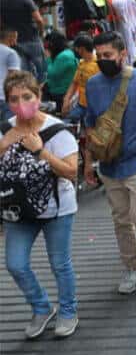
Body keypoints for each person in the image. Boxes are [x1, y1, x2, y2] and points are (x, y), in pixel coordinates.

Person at [84, 31, 136, 295]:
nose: (103, 60)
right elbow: (90, 125)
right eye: (99, 56)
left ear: (123, 54)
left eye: (108, 55)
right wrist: (88, 162)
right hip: (109, 166)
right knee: (121, 219)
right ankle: (132, 267)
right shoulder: (93, 84)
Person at [1, 70, 79, 338]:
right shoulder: (5, 129)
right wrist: (3, 146)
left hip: (57, 207)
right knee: (15, 263)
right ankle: (41, 307)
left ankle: (68, 310)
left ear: (38, 95)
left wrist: (40, 151)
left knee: (60, 263)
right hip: (18, 209)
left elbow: (71, 172)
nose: (20, 104)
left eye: (26, 96)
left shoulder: (56, 130)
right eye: (13, 99)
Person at [0, 0, 45, 81]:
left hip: (15, 42)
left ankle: (28, 91)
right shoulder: (26, 0)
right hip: (32, 40)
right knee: (40, 71)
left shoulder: (1, 2)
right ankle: (39, 92)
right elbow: (39, 20)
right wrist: (41, 33)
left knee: (24, 73)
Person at [61, 33, 99, 120]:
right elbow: (74, 83)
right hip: (81, 105)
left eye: (76, 48)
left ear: (81, 49)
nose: (75, 51)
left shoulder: (98, 65)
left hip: (93, 108)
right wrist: (66, 100)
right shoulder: (81, 63)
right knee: (66, 123)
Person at [43, 32, 78, 116]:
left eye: (47, 45)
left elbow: (51, 73)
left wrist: (48, 57)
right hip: (58, 90)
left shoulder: (64, 56)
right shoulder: (64, 53)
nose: (46, 47)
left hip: (61, 93)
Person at [0, 29, 22, 121]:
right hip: (4, 96)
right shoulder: (11, 53)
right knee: (9, 128)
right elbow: (14, 77)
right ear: (11, 37)